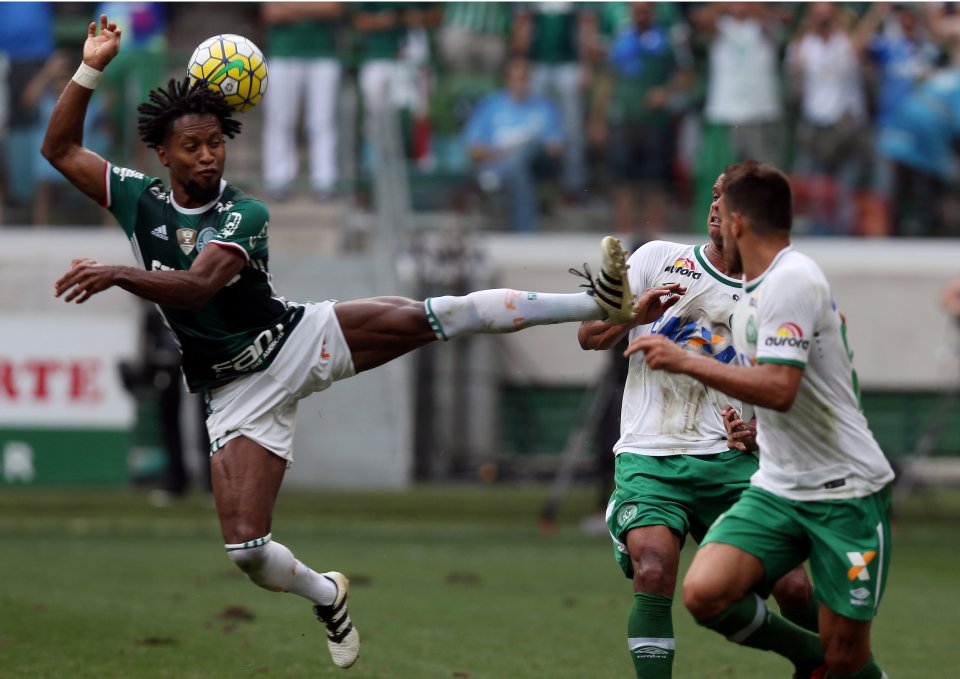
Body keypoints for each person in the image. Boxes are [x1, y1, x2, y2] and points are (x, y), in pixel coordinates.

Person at [41, 15, 682, 671]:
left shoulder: (244, 213)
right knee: (248, 551)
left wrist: (119, 272)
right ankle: (327, 592)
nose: (208, 155)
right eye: (194, 146)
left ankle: (597, 299)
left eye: (216, 143)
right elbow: (58, 149)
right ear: (164, 154)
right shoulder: (138, 200)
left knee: (437, 313)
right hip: (234, 390)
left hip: (294, 339)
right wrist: (91, 67)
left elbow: (199, 285)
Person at [626, 161, 895, 679]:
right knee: (705, 593)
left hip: (843, 491)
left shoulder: (792, 282)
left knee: (846, 657)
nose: (714, 215)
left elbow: (780, 387)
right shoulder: (753, 288)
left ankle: (841, 667)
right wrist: (752, 433)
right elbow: (775, 391)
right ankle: (810, 659)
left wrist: (686, 359)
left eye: (721, 208)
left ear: (739, 223)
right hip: (777, 485)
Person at [578, 169, 819, 679]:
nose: (714, 207)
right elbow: (589, 335)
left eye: (726, 199)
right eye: (711, 195)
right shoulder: (656, 259)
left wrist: (762, 432)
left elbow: (798, 391)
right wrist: (631, 312)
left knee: (794, 587)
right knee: (655, 569)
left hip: (732, 462)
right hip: (649, 454)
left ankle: (824, 662)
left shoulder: (781, 293)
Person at [463, 56, 564, 232]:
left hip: (536, 163)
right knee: (517, 169)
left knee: (523, 153)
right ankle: (524, 231)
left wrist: (522, 149)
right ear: (506, 79)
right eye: (516, 77)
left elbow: (555, 148)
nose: (521, 82)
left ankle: (497, 177)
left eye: (525, 77)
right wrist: (502, 153)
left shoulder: (544, 107)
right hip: (498, 160)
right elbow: (473, 149)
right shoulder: (490, 106)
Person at [261, 2, 346, 201]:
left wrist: (293, 8)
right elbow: (271, 12)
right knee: (279, 119)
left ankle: (325, 181)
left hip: (323, 53)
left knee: (323, 120)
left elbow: (334, 8)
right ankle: (277, 180)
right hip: (283, 53)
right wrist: (314, 8)